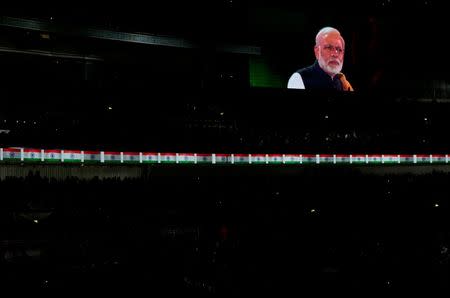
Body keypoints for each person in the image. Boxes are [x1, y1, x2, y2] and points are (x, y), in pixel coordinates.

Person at [287, 27, 354, 91]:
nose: (335, 54)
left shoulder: (343, 83)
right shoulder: (299, 79)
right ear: (317, 51)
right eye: (329, 47)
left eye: (339, 50)